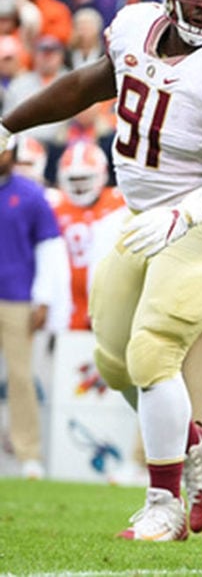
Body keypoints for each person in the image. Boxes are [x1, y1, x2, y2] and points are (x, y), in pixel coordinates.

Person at [0, 0, 202, 541]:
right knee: (113, 360)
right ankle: (195, 444)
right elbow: (89, 83)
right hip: (145, 216)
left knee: (153, 351)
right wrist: (6, 124)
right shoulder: (136, 27)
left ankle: (164, 506)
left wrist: (186, 214)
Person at [0, 135, 66, 479]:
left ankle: (28, 453)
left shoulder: (30, 195)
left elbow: (48, 249)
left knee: (21, 377)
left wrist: (43, 298)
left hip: (16, 296)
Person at [49, 141, 126, 331]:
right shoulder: (53, 205)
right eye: (73, 180)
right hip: (68, 296)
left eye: (85, 178)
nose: (80, 186)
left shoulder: (120, 203)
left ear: (102, 174)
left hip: (110, 294)